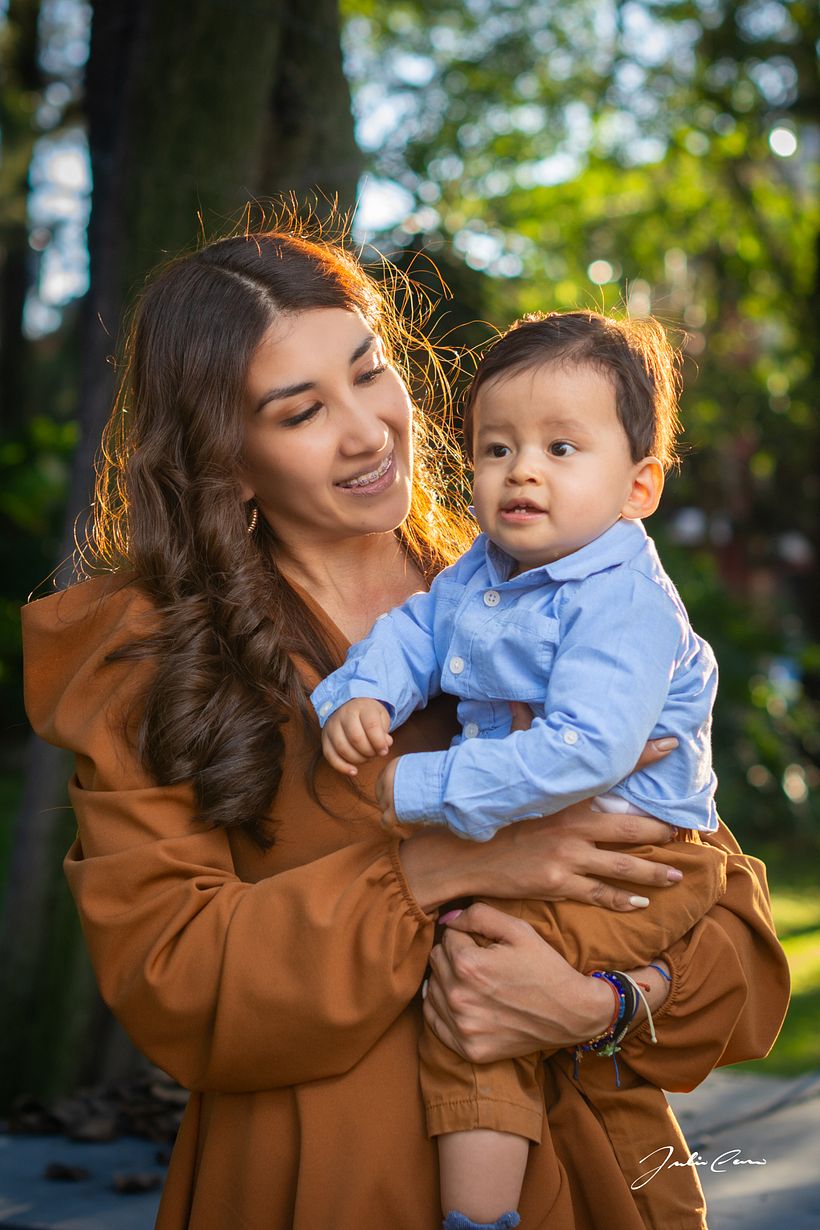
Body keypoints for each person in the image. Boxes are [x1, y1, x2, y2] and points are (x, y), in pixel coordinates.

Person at [20, 223, 789, 1230]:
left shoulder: (548, 582)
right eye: (300, 412)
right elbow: (176, 979)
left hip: (589, 1182)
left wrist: (597, 1008)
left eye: (368, 372)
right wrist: (446, 865)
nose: (368, 431)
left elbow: (730, 938)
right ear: (229, 460)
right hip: (323, 1186)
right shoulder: (153, 656)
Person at [311, 310, 727, 1230]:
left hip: (642, 859)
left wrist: (413, 790)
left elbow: (584, 750)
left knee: (481, 998)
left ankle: (482, 1219)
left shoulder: (623, 604)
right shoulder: (486, 570)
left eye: (562, 447)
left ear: (639, 486)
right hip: (556, 847)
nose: (522, 470)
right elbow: (419, 631)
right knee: (483, 992)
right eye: (496, 448)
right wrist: (363, 696)